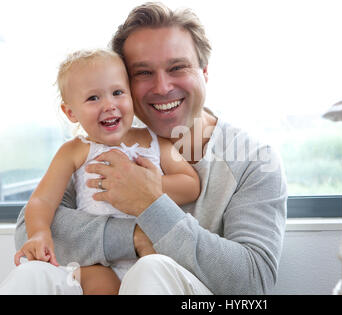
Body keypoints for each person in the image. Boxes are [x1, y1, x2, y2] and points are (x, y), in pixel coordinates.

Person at [2, 2, 287, 295]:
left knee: (151, 270)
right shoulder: (105, 140)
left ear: (204, 71)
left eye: (178, 67)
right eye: (143, 73)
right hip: (104, 282)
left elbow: (253, 281)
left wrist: (150, 202)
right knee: (32, 275)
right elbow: (30, 229)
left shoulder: (254, 160)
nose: (162, 87)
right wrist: (134, 236)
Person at [8, 49, 201, 295]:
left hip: (153, 250)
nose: (109, 105)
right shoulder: (74, 151)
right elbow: (42, 200)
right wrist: (39, 233)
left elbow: (191, 184)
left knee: (155, 272)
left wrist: (148, 185)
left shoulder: (153, 141)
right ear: (70, 112)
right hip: (98, 261)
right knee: (99, 284)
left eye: (118, 93)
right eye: (93, 98)